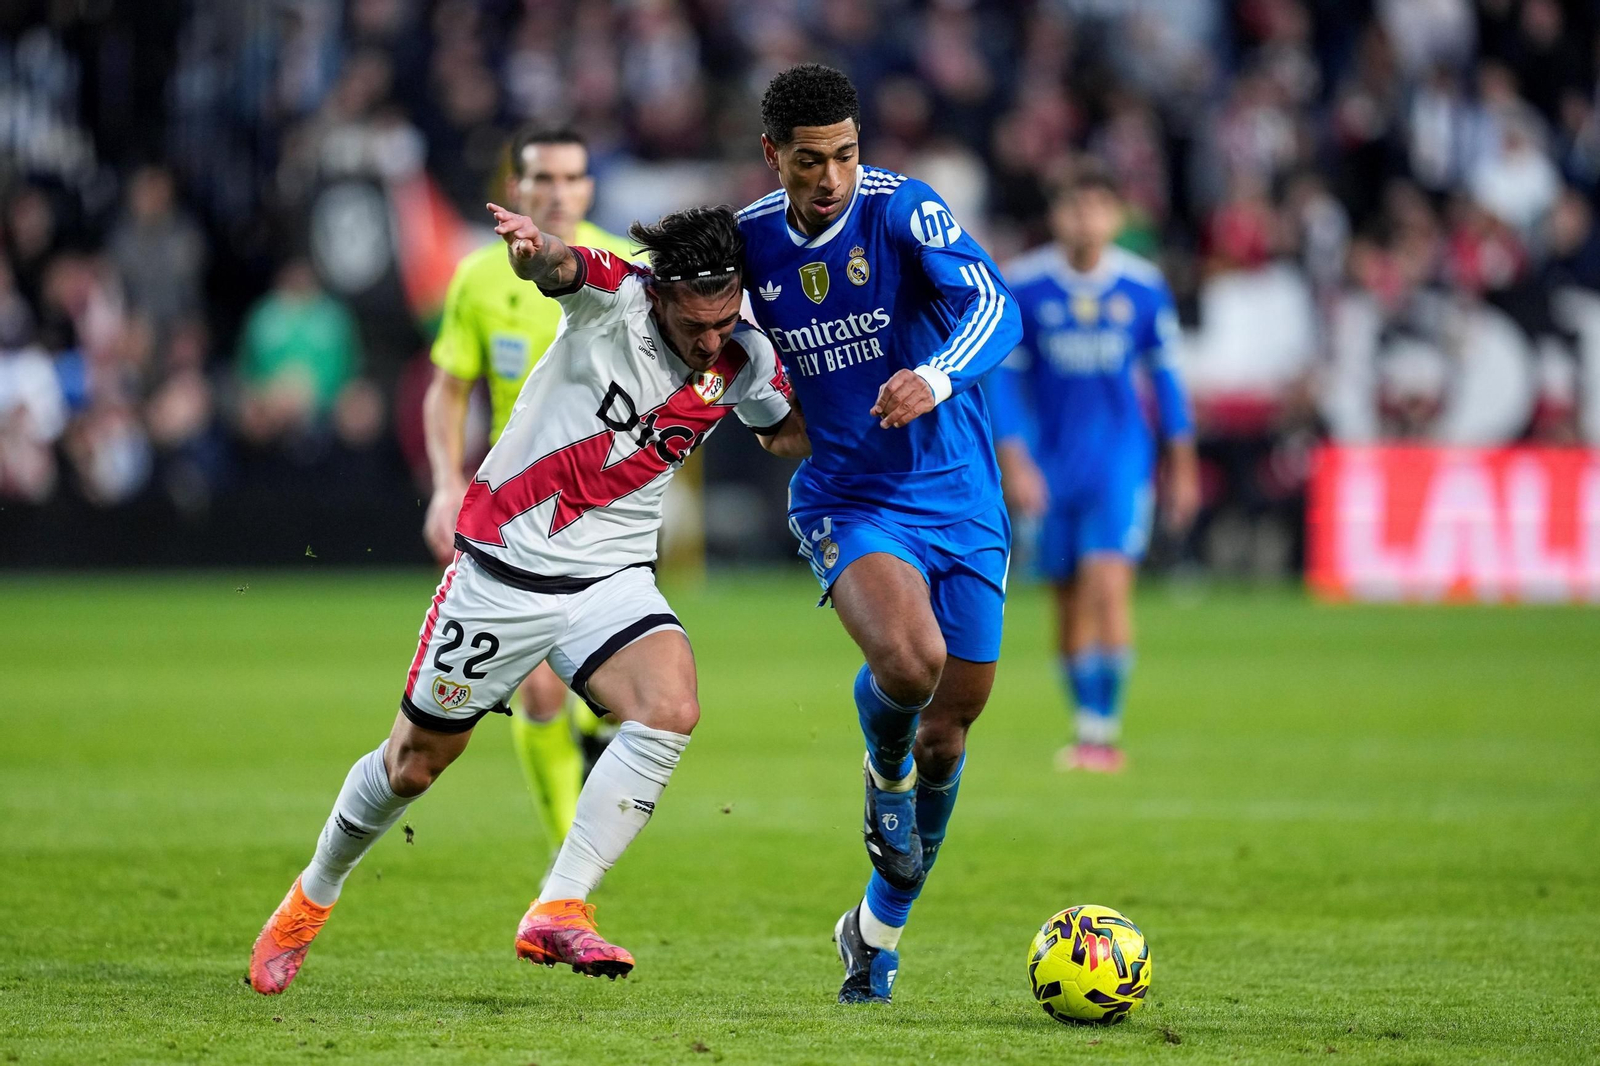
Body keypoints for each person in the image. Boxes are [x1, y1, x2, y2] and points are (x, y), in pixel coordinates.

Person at [249, 203, 808, 994]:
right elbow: (563, 267)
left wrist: (869, 392)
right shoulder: (617, 299)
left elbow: (786, 432)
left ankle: (558, 906)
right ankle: (311, 897)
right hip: (502, 574)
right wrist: (536, 250)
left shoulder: (742, 356)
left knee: (671, 702)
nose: (711, 340)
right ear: (662, 298)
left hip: (610, 578)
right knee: (413, 766)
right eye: (696, 323)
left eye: (725, 319)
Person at [736, 64, 1022, 1004]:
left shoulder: (906, 211)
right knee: (910, 664)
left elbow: (995, 305)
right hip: (849, 499)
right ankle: (881, 772)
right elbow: (699, 333)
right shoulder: (746, 244)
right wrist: (759, 409)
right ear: (772, 156)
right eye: (810, 161)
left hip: (964, 497)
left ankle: (875, 930)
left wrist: (935, 376)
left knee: (953, 728)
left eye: (848, 154)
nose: (832, 178)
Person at [423, 128, 638, 863]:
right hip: (518, 514)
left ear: (588, 187)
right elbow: (449, 389)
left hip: (612, 509)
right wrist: (447, 481)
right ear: (516, 187)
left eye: (573, 177)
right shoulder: (479, 279)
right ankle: (571, 864)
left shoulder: (629, 268)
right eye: (542, 178)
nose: (557, 192)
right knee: (541, 693)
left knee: (615, 699)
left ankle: (592, 744)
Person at [987, 168, 1200, 773]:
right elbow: (1007, 386)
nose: (1084, 219)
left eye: (1097, 208)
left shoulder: (1143, 288)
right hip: (1051, 468)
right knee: (1066, 601)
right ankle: (1086, 728)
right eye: (1073, 208)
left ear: (1115, 217)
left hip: (1119, 463)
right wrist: (1018, 463)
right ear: (1058, 216)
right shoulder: (1025, 287)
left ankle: (1106, 731)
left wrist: (1180, 465)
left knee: (1109, 589)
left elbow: (1168, 382)